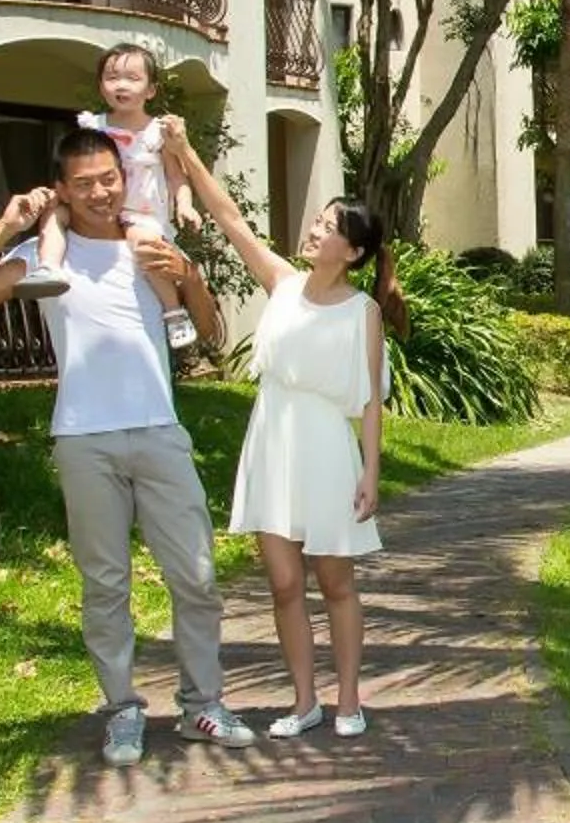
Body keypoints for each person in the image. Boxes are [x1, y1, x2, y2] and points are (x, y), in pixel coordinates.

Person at [0, 126, 257, 763]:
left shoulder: (150, 242)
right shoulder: (42, 255)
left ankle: (203, 707)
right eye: (83, 184)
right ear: (61, 189)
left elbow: (210, 332)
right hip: (84, 438)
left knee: (196, 576)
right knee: (105, 586)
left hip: (159, 431)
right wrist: (5, 227)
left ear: (123, 176)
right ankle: (122, 710)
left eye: (109, 178)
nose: (100, 192)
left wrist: (188, 275)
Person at [163, 119, 396, 740]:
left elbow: (370, 402)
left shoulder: (363, 312)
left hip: (327, 448)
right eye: (317, 220)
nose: (315, 229)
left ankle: (349, 701)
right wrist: (186, 154)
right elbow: (231, 219)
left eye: (328, 226)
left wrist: (371, 472)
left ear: (352, 252)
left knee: (335, 580)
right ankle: (304, 702)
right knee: (285, 582)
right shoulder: (283, 285)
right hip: (272, 441)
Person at [11, 45, 202, 351]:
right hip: (93, 207)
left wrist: (185, 204)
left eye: (132, 78)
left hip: (140, 213)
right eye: (112, 78)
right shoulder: (93, 126)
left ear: (151, 90)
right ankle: (49, 267)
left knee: (145, 247)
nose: (121, 85)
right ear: (100, 86)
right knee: (54, 214)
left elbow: (176, 176)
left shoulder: (158, 133)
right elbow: (74, 166)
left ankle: (173, 311)